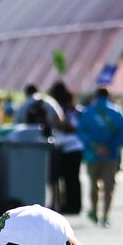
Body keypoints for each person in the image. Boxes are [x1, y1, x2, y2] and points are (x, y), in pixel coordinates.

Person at [75, 88, 123, 227]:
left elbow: (81, 132)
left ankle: (93, 211)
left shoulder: (87, 112)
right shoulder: (117, 112)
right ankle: (105, 216)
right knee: (109, 186)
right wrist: (110, 146)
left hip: (92, 155)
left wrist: (94, 146)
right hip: (111, 155)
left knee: (93, 184)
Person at [48, 82, 83, 215]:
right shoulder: (59, 110)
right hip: (62, 147)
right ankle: (65, 203)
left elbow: (74, 128)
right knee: (62, 178)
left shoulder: (77, 111)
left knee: (72, 178)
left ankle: (74, 205)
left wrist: (62, 124)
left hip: (74, 147)